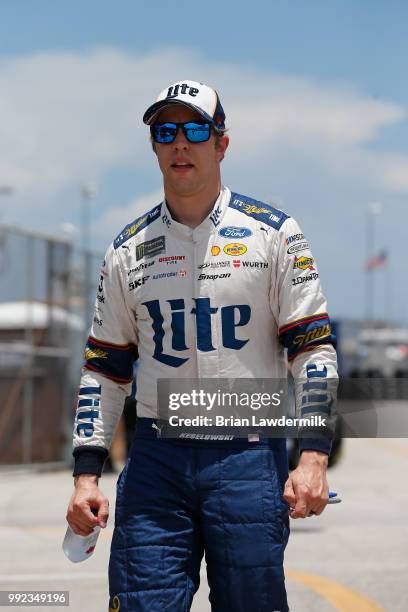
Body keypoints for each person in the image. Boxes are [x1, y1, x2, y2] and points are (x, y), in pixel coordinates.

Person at [66, 79, 338, 612]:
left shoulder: (274, 234)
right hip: (157, 459)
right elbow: (104, 370)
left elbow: (313, 352)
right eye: (165, 132)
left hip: (246, 453)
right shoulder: (127, 250)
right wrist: (85, 475)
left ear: (221, 143)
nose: (179, 144)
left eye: (195, 129)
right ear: (154, 146)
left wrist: (313, 457)